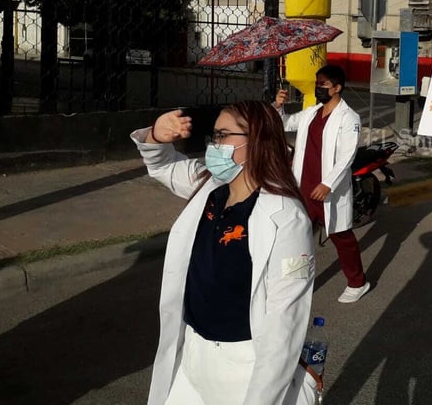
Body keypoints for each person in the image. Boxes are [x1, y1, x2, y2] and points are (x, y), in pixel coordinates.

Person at [131, 101, 315, 405]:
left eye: (222, 136)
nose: (213, 146)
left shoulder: (285, 218)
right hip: (191, 354)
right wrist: (156, 135)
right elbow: (162, 166)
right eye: (213, 136)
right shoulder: (209, 186)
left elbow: (285, 324)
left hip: (239, 367)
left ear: (256, 141)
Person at [274, 65, 369, 303]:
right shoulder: (311, 112)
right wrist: (278, 105)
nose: (319, 89)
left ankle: (357, 283)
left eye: (323, 85)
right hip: (303, 186)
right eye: (317, 84)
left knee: (342, 237)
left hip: (329, 192)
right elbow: (285, 123)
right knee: (297, 237)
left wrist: (327, 183)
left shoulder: (349, 118)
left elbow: (347, 156)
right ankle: (295, 283)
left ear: (337, 88)